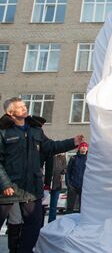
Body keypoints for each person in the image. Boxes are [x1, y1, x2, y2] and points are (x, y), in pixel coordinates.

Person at [0, 97, 84, 252]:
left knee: (34, 225)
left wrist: (72, 142)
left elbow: (50, 147)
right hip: (9, 187)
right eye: (20, 107)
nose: (24, 108)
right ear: (11, 113)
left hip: (31, 187)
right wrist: (4, 184)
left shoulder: (35, 129)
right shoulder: (3, 131)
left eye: (24, 105)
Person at [66, 142, 88, 213]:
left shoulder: (89, 159)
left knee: (83, 208)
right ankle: (67, 222)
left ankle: (81, 223)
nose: (84, 147)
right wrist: (68, 184)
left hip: (84, 187)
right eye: (82, 146)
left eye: (85, 146)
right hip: (73, 186)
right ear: (79, 148)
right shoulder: (74, 158)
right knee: (70, 207)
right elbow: (68, 171)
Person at [44, 153, 66, 222]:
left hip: (57, 184)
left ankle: (51, 222)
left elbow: (65, 168)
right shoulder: (49, 156)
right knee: (42, 206)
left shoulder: (62, 158)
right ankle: (39, 224)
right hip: (46, 185)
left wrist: (63, 173)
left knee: (53, 206)